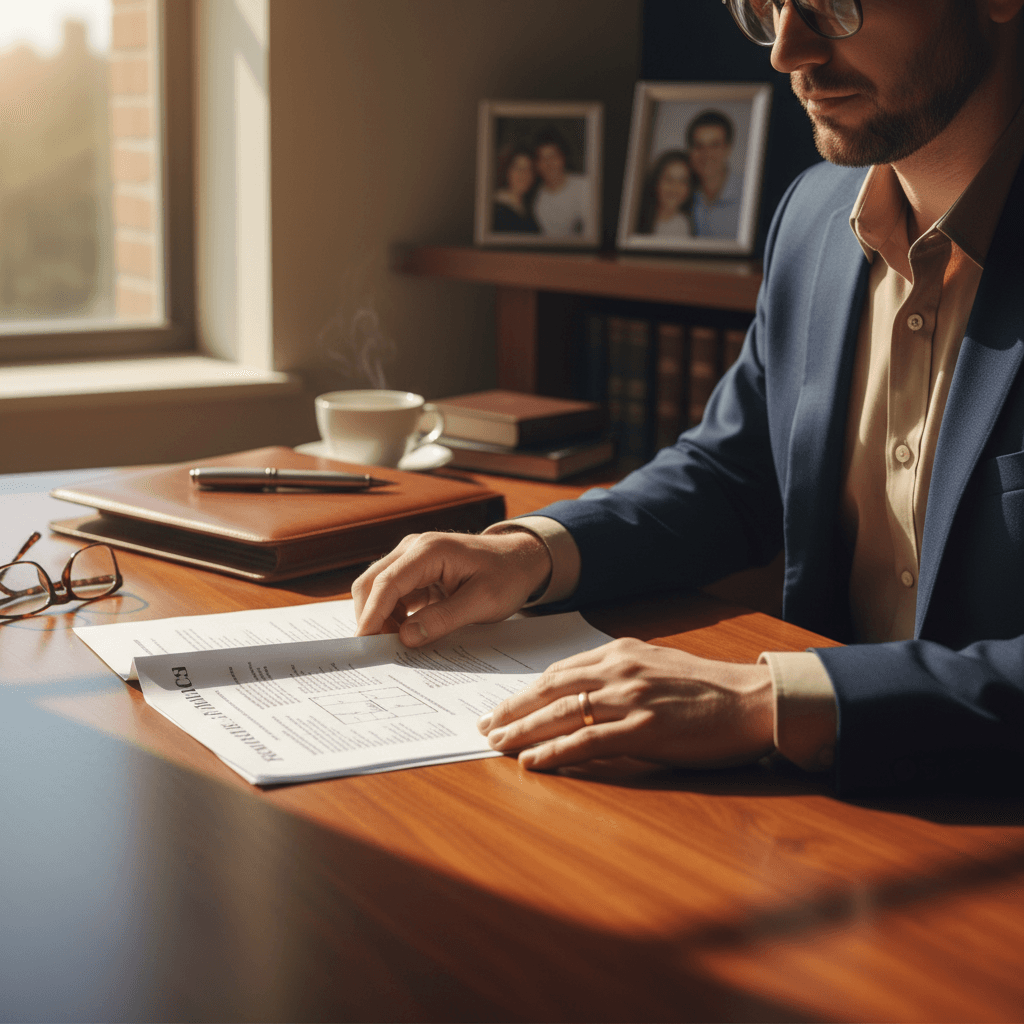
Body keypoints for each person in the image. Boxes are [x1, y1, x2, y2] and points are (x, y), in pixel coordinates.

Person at [354, 0, 1024, 796]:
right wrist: (531, 551)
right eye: (765, 7)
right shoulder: (812, 217)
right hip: (826, 816)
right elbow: (731, 473)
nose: (787, 52)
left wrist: (768, 698)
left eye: (833, 6)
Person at [686, 109, 743, 238]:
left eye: (714, 145)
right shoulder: (681, 195)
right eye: (699, 146)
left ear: (728, 149)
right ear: (690, 151)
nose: (706, 154)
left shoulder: (749, 196)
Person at [531, 129, 591, 238]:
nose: (548, 164)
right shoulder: (534, 195)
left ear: (563, 159)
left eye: (553, 156)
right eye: (542, 158)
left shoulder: (584, 186)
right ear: (537, 165)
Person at [636, 149, 696, 237]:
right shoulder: (635, 218)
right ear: (656, 182)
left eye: (683, 181)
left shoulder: (685, 225)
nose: (675, 188)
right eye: (669, 179)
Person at [492, 144, 540, 234]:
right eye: (518, 168)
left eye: (529, 169)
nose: (523, 174)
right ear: (507, 172)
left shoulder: (530, 205)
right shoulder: (495, 210)